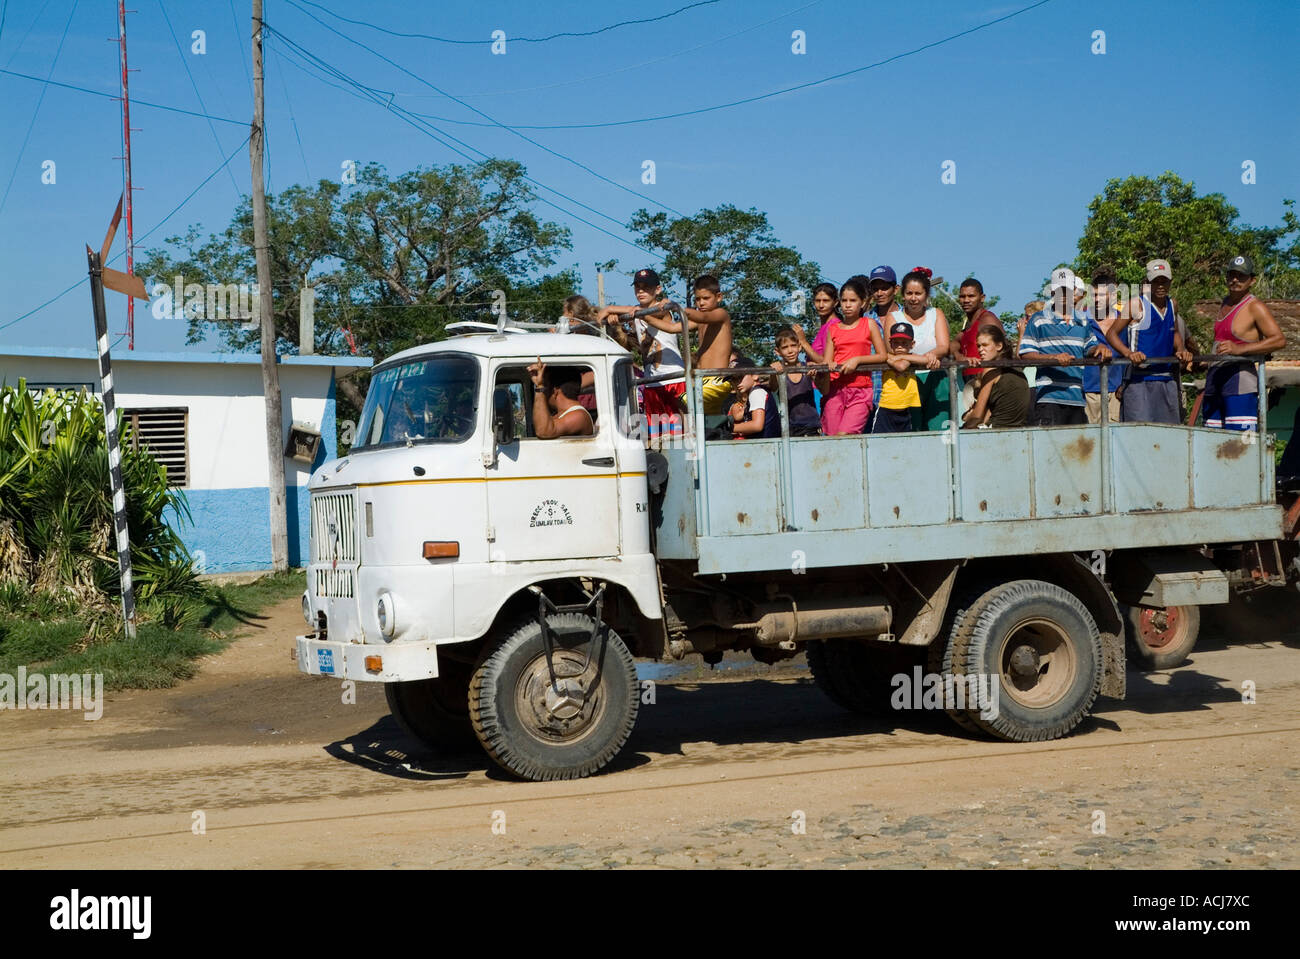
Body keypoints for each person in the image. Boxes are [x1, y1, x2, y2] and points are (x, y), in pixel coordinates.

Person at [1202, 255, 1286, 431]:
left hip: (1239, 382)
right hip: (1215, 380)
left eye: (1241, 276)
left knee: (1241, 445)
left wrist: (1240, 349)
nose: (1235, 280)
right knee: (1211, 440)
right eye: (1232, 275)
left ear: (1252, 280)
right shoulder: (1224, 303)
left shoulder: (1255, 306)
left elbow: (1279, 340)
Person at [1104, 259, 1192, 424]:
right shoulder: (1135, 304)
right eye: (1155, 281)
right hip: (1140, 380)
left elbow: (1175, 333)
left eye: (1164, 281)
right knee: (1138, 434)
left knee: (1168, 434)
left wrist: (1181, 349)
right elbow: (1111, 334)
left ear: (1170, 282)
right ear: (1147, 282)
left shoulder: (1173, 305)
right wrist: (1129, 353)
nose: (1160, 285)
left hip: (1167, 379)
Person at [599, 268, 685, 436]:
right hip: (652, 382)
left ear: (657, 290)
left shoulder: (662, 308)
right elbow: (606, 310)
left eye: (646, 287)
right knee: (656, 436)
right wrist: (611, 317)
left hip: (673, 378)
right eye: (637, 287)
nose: (641, 291)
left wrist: (632, 312)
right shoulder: (635, 311)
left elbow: (661, 311)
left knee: (680, 433)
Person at [642, 274, 734, 418]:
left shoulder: (720, 315)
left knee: (684, 400)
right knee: (708, 421)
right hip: (702, 380)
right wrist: (645, 316)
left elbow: (701, 316)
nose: (701, 303)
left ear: (719, 297)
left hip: (717, 380)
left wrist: (674, 306)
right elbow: (672, 328)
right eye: (697, 299)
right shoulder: (700, 320)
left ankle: (690, 437)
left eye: (706, 298)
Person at [1018, 268, 1101, 426]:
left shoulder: (1083, 321)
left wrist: (1099, 348)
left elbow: (1090, 347)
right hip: (1049, 398)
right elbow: (1026, 354)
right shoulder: (1038, 319)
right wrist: (1053, 358)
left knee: (1078, 449)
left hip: (1077, 398)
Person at [817, 278, 885, 435]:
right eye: (844, 300)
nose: (847, 305)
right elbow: (827, 360)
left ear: (862, 302)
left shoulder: (868, 324)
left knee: (846, 435)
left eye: (853, 300)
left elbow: (882, 356)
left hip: (860, 390)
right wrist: (826, 367)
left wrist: (857, 360)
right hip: (835, 390)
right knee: (832, 438)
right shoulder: (833, 329)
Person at [894, 268, 950, 430]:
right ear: (903, 295)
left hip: (936, 377)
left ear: (926, 295)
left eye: (918, 293)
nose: (913, 298)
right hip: (906, 378)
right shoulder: (894, 317)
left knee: (939, 430)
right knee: (913, 430)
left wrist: (932, 355)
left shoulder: (936, 314)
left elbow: (943, 346)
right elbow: (892, 352)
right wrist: (924, 359)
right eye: (909, 293)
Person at [951, 277, 1002, 414]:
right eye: (962, 296)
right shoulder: (967, 326)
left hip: (987, 381)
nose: (966, 300)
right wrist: (960, 356)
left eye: (971, 296)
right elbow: (953, 345)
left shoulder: (987, 319)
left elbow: (1004, 350)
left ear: (982, 298)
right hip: (970, 384)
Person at [964, 325, 1029, 429]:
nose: (981, 350)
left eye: (985, 345)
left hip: (998, 429)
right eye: (979, 346)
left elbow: (977, 417)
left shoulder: (991, 369)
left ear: (999, 346)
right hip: (1020, 429)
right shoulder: (1016, 367)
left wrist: (963, 428)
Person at [1081, 267, 1123, 424]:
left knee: (1115, 439)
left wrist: (1125, 384)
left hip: (1116, 391)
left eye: (1101, 295)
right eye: (1094, 295)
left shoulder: (1124, 321)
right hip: (1087, 390)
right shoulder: (1082, 321)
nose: (1097, 299)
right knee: (1088, 443)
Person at [873, 321, 925, 433]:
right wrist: (903, 359)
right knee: (879, 442)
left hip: (905, 410)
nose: (900, 346)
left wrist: (903, 357)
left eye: (904, 343)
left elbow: (925, 360)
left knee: (904, 443)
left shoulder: (910, 357)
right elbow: (901, 366)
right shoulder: (886, 356)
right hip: (886, 409)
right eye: (896, 343)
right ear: (890, 344)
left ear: (912, 344)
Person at [771, 326, 821, 436]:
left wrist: (816, 374)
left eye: (793, 346)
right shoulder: (779, 370)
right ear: (777, 351)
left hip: (811, 425)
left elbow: (822, 387)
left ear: (799, 347)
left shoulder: (807, 368)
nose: (790, 351)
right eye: (785, 347)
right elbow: (773, 387)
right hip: (789, 427)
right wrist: (774, 372)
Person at [527, 360, 594, 438]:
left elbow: (543, 431)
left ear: (554, 391)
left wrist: (539, 387)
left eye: (545, 388)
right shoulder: (561, 415)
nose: (544, 394)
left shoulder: (579, 416)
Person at [727, 360, 781, 439]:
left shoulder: (756, 393)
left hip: (766, 444)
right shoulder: (757, 391)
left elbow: (757, 425)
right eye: (733, 379)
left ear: (755, 375)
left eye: (740, 377)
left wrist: (730, 428)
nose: (737, 382)